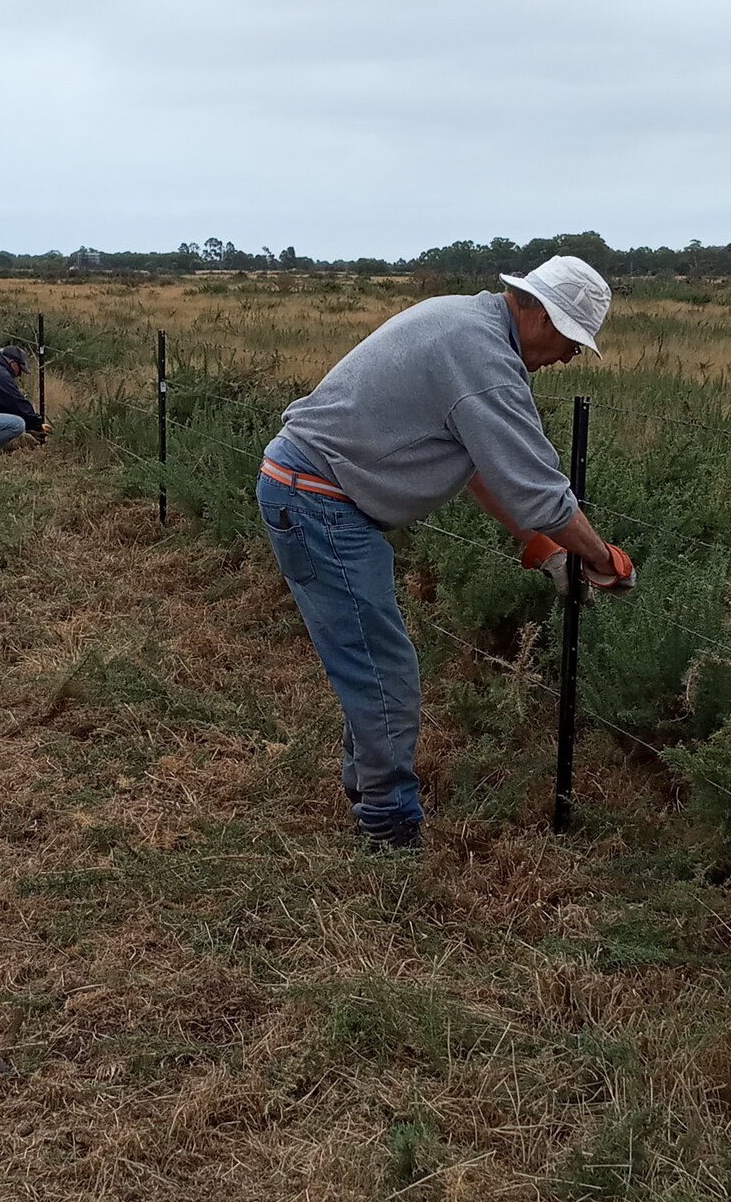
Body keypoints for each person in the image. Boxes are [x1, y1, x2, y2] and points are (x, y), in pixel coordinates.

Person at [257, 255, 634, 851]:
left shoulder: (468, 325)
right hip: (320, 502)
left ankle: (369, 795)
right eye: (571, 342)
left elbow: (487, 471)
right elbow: (540, 492)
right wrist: (599, 556)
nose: (567, 358)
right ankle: (389, 830)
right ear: (542, 317)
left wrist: (544, 550)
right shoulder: (483, 358)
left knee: (370, 662)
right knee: (384, 672)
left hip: (313, 494)